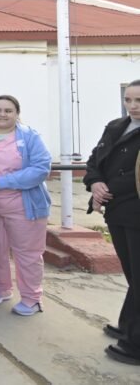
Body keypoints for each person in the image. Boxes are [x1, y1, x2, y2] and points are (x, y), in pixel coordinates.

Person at [0, 95, 51, 316]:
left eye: (8, 110)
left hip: (24, 206)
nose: (2, 114)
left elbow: (42, 168)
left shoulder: (30, 136)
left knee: (28, 253)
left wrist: (1, 182)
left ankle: (32, 298)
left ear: (17, 113)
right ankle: (1, 288)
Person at [85, 80, 140, 365]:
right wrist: (94, 182)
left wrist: (109, 189)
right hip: (117, 212)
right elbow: (96, 158)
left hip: (135, 210)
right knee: (133, 274)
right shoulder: (116, 126)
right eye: (128, 100)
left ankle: (136, 344)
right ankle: (130, 326)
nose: (132, 106)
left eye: (138, 101)